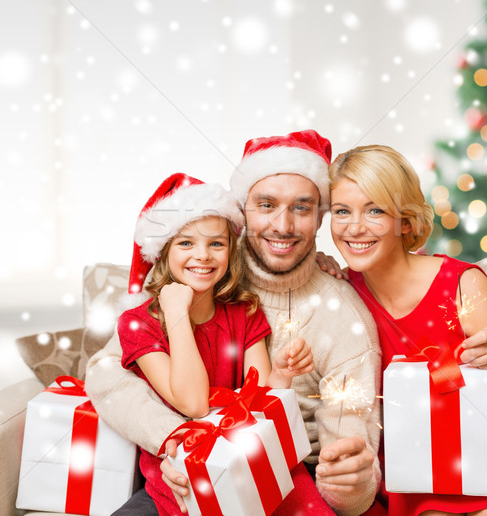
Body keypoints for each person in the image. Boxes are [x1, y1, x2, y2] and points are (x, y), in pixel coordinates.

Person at [86, 130, 382, 516]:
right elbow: (106, 372)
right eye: (266, 204)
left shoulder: (339, 316)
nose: (283, 225)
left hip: (279, 471)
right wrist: (172, 442)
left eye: (302, 208)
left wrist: (351, 481)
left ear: (319, 217)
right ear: (242, 212)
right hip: (176, 472)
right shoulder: (202, 269)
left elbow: (346, 458)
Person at [324, 143, 487, 516]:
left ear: (404, 221)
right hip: (417, 472)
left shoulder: (462, 285)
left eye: (374, 210)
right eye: (342, 211)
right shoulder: (342, 296)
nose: (354, 227)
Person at [114, 172, 315, 516]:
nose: (203, 256)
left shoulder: (244, 312)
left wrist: (281, 375)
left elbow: (261, 404)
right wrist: (176, 312)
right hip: (181, 475)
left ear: (230, 251)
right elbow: (193, 403)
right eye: (186, 243)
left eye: (216, 244)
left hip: (247, 461)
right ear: (163, 252)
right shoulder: (138, 325)